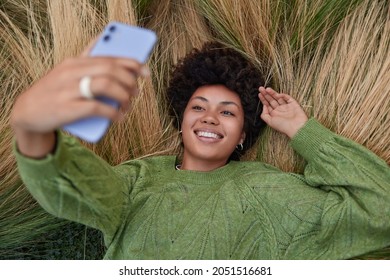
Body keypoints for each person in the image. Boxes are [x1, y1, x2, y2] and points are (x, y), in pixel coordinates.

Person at [11, 42, 390, 259]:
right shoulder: (139, 179)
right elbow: (75, 185)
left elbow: (380, 208)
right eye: (198, 107)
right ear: (181, 122)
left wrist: (302, 131)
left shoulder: (267, 189)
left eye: (227, 112)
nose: (210, 118)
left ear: (242, 135)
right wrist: (31, 128)